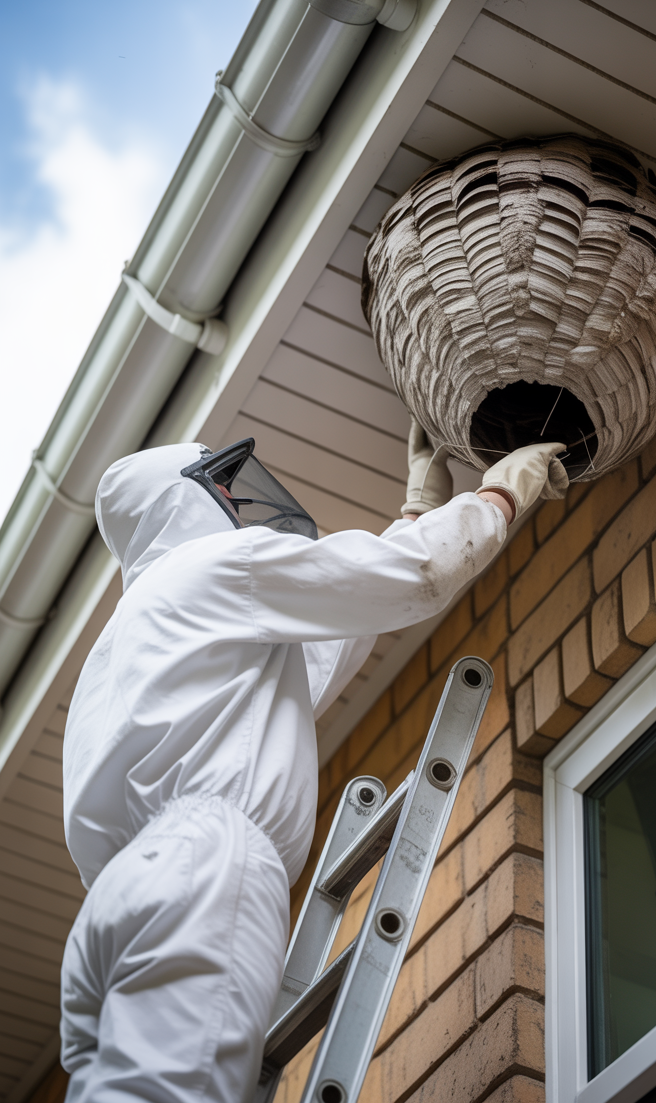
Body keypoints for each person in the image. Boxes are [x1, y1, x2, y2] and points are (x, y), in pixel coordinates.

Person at [60, 423, 567, 1103]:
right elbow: (414, 574)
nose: (237, 503)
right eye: (223, 489)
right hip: (201, 861)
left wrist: (416, 511)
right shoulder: (213, 566)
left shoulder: (130, 637)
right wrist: (499, 496)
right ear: (180, 501)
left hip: (110, 912)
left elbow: (330, 636)